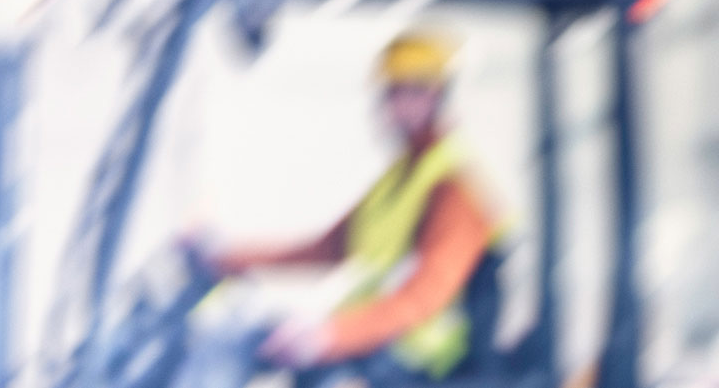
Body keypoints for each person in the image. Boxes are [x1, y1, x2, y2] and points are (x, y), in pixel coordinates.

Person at [200, 30, 499, 382]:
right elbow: (328, 247)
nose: (384, 105)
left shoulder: (454, 191)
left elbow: (424, 298)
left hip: (423, 368)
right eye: (386, 92)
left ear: (431, 95)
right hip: (377, 347)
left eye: (397, 92)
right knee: (252, 342)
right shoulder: (402, 175)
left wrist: (330, 336)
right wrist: (226, 260)